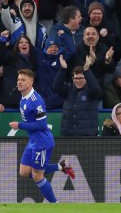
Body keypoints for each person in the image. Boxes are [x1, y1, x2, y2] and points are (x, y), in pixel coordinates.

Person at [9, 69, 75, 203]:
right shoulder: (23, 98)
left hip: (42, 142)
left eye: (23, 80)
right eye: (18, 79)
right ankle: (62, 166)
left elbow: (42, 125)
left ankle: (54, 204)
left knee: (37, 175)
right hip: (33, 141)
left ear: (31, 82)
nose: (19, 82)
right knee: (24, 172)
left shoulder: (36, 101)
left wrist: (20, 125)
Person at [53, 54, 101, 136]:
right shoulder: (68, 89)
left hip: (87, 135)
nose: (78, 81)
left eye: (81, 78)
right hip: (68, 134)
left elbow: (95, 88)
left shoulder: (91, 91)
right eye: (76, 78)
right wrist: (63, 69)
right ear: (72, 79)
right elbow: (56, 87)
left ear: (86, 78)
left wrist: (86, 70)